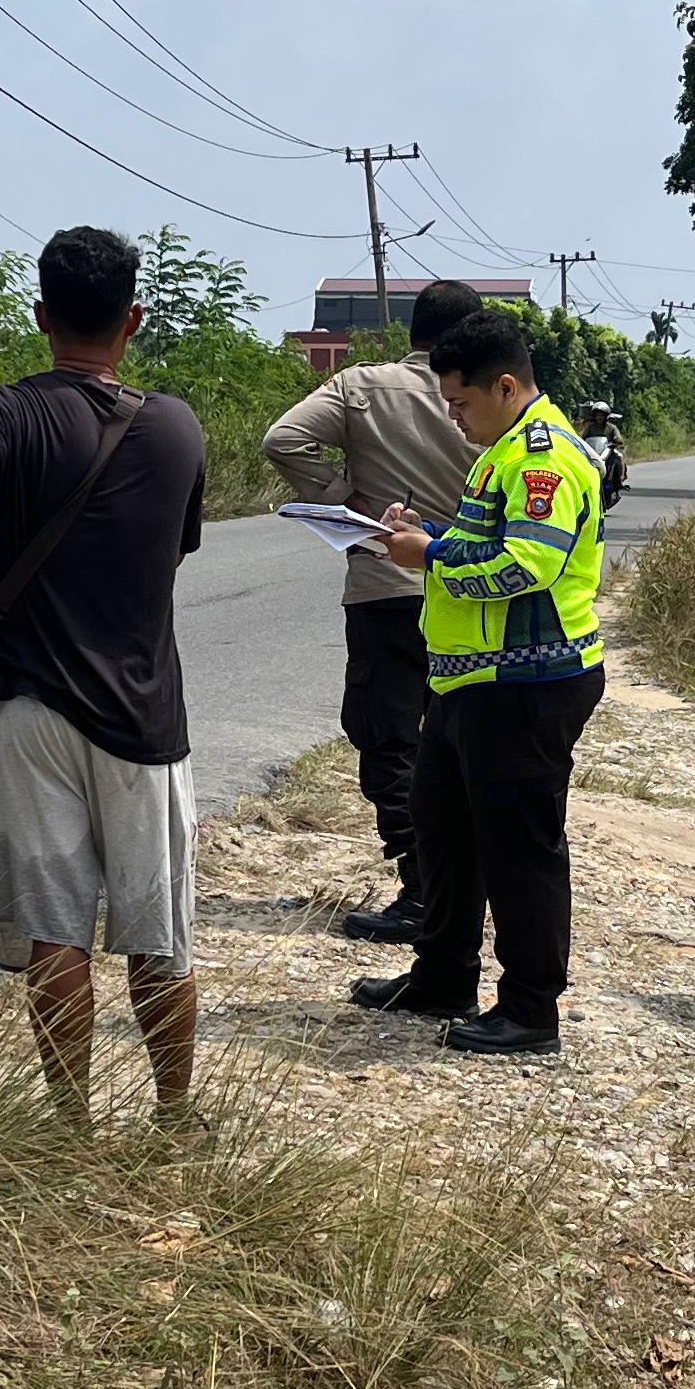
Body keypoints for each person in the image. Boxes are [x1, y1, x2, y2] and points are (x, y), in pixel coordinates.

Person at [0, 227, 214, 1124]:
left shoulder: (7, 412)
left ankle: (71, 1123)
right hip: (145, 720)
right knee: (159, 937)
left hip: (35, 709)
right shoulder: (175, 425)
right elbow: (169, 553)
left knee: (56, 931)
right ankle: (172, 1117)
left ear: (41, 315)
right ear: (135, 319)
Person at [348, 308, 607, 1057]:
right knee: (445, 830)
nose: (454, 419)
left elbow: (526, 566)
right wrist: (425, 531)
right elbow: (485, 541)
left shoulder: (542, 459)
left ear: (503, 385)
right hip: (472, 682)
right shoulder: (502, 452)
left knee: (519, 849)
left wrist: (426, 555)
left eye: (460, 404)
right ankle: (443, 975)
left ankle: (530, 1008)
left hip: (526, 686)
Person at [263, 277, 487, 943]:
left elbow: (284, 439)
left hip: (386, 585)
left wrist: (353, 503)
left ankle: (422, 889)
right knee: (461, 746)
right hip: (469, 594)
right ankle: (464, 888)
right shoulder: (488, 401)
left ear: (412, 330)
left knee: (391, 741)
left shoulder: (362, 385)